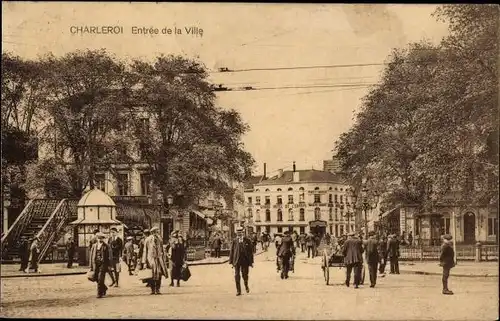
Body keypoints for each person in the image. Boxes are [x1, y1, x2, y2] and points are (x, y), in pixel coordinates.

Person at [141, 226, 168, 295]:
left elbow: (162, 249)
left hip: (159, 259)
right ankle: (153, 290)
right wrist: (144, 262)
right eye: (157, 231)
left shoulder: (160, 239)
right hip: (151, 259)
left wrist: (164, 257)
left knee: (159, 274)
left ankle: (158, 289)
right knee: (151, 275)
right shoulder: (148, 239)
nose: (158, 232)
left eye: (158, 231)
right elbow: (145, 251)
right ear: (153, 232)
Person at [229, 227, 254, 296]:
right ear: (236, 233)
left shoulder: (247, 240)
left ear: (243, 233)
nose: (239, 234)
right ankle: (238, 290)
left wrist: (251, 262)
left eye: (241, 232)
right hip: (237, 260)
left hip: (245, 260)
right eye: (238, 232)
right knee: (237, 275)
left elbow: (250, 252)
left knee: (245, 275)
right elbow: (232, 251)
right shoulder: (234, 241)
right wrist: (231, 261)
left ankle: (246, 285)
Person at [89, 232, 111, 298]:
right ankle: (104, 288)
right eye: (98, 238)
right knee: (95, 278)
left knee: (100, 278)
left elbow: (109, 256)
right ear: (96, 238)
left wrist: (109, 265)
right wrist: (91, 266)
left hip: (103, 264)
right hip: (95, 263)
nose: (99, 239)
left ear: (103, 239)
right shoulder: (94, 245)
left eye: (101, 238)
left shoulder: (106, 246)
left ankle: (99, 293)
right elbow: (91, 256)